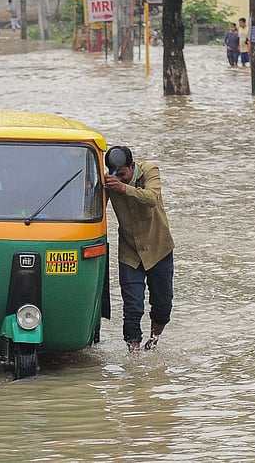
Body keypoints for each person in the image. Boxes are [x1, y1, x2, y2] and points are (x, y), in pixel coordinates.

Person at [104, 146, 175, 354]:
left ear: (132, 166)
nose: (120, 179)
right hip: (130, 252)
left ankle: (153, 341)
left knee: (162, 306)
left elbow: (152, 198)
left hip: (158, 248)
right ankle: (133, 353)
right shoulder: (110, 181)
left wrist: (124, 189)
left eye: (124, 175)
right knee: (132, 308)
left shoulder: (150, 171)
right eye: (116, 175)